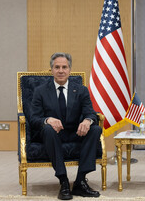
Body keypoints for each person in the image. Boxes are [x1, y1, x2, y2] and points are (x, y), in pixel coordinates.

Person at [30, 53, 102, 200]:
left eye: (64, 67)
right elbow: (33, 118)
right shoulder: (40, 91)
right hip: (52, 134)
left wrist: (87, 120)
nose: (61, 70)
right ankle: (63, 181)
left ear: (70, 70)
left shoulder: (81, 90)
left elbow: (91, 113)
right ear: (51, 70)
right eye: (57, 67)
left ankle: (80, 182)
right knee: (48, 129)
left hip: (75, 132)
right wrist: (48, 120)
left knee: (95, 128)